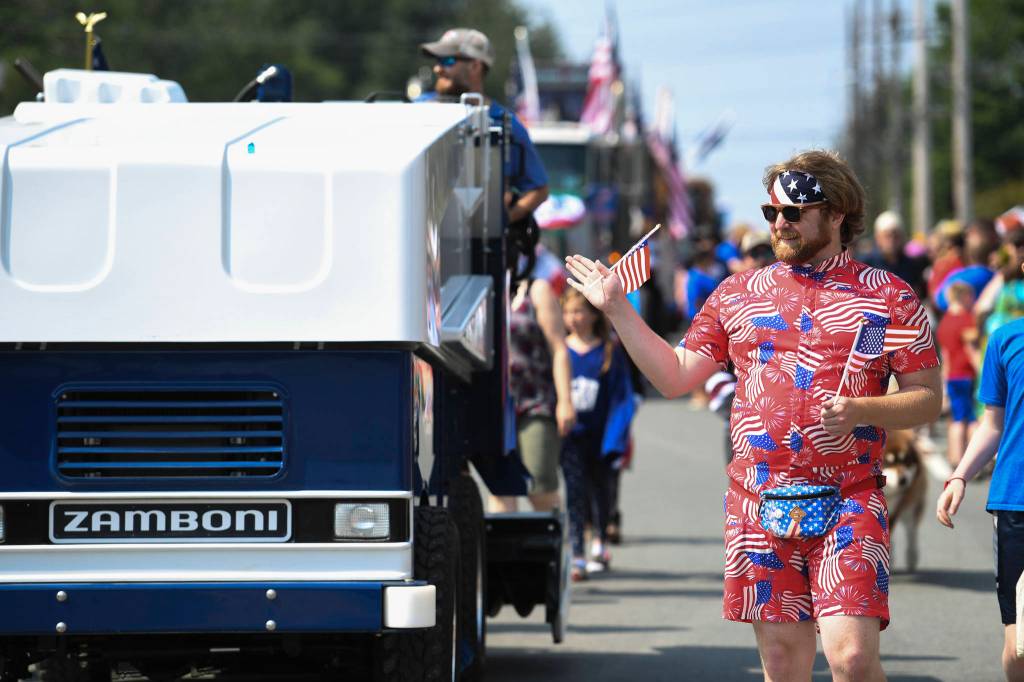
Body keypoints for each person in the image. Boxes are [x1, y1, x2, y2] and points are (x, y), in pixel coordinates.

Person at [566, 150, 941, 682]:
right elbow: (674, 376)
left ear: (837, 214)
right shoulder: (739, 293)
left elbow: (928, 397)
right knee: (784, 665)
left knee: (852, 659)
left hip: (849, 499)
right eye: (771, 213)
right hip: (760, 505)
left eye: (794, 212)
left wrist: (864, 408)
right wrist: (618, 309)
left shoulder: (888, 296)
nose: (780, 223)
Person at [936, 313, 1024, 681]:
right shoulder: (1006, 339)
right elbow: (993, 422)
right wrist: (959, 476)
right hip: (1016, 502)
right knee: (1019, 644)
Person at [419, 28, 549, 223]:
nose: (438, 69)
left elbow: (539, 189)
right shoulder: (416, 111)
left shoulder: (503, 122)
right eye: (437, 61)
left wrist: (502, 226)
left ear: (475, 66)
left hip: (474, 248)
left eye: (448, 61)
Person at [561, 288, 636, 580]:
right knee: (575, 493)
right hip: (571, 437)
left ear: (593, 314)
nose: (574, 318)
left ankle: (600, 539)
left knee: (601, 492)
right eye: (568, 312)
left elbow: (621, 397)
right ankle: (577, 552)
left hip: (602, 436)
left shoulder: (608, 350)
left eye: (579, 311)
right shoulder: (560, 351)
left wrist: (616, 438)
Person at [936, 281, 979, 467]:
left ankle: (955, 457)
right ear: (964, 297)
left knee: (957, 417)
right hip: (966, 374)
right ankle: (973, 460)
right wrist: (983, 369)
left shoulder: (944, 322)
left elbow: (945, 354)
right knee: (971, 418)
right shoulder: (966, 319)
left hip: (952, 375)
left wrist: (944, 377)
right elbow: (972, 349)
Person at [863, 210, 928, 300]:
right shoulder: (865, 265)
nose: (891, 240)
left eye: (895, 235)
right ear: (878, 237)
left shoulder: (912, 265)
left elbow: (919, 294)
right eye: (887, 236)